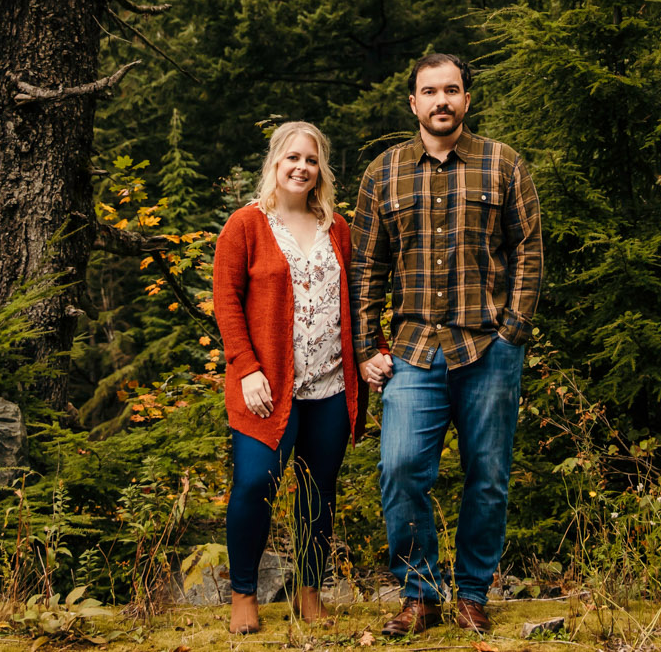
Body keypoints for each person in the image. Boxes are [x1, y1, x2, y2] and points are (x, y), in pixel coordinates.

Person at [351, 53, 544, 636]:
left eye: (451, 90)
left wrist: (512, 332)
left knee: (487, 474)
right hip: (413, 349)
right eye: (429, 91)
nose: (441, 101)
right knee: (401, 465)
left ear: (466, 99)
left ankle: (474, 593)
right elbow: (366, 267)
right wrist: (366, 348)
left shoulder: (502, 163)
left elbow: (529, 252)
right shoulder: (382, 174)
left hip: (489, 348)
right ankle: (420, 593)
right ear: (412, 102)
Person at [211, 120, 364, 635]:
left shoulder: (336, 227)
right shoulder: (247, 224)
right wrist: (246, 367)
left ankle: (308, 591)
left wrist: (372, 353)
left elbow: (357, 303)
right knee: (255, 484)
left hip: (331, 386)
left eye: (312, 159)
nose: (302, 167)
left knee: (318, 490)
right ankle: (243, 594)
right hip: (266, 389)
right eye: (293, 157)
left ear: (322, 170)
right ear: (275, 163)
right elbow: (226, 302)